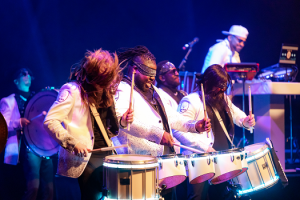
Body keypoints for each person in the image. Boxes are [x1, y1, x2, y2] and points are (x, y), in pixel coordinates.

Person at [111, 45, 211, 200]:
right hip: (138, 164)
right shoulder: (123, 89)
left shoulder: (155, 91)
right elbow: (121, 121)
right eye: (147, 73)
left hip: (164, 164)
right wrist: (157, 134)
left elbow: (170, 117)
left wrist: (194, 126)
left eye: (153, 74)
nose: (152, 78)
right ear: (134, 70)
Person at [43, 49, 133, 200]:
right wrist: (73, 143)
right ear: (91, 77)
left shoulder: (106, 91)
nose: (103, 86)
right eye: (101, 82)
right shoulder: (72, 90)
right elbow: (50, 121)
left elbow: (108, 124)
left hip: (107, 154)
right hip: (84, 159)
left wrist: (123, 120)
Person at [174, 64, 255, 200]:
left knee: (220, 196)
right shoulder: (191, 101)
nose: (222, 89)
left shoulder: (222, 97)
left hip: (221, 158)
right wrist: (205, 147)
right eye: (219, 86)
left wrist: (245, 121)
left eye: (224, 86)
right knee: (197, 197)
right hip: (199, 160)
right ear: (207, 83)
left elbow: (236, 113)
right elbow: (178, 131)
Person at [0, 68, 54, 200]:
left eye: (29, 74)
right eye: (23, 74)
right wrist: (18, 122)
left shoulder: (37, 98)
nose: (27, 76)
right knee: (33, 187)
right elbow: (3, 125)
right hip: (27, 148)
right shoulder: (9, 101)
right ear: (15, 81)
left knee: (50, 189)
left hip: (43, 146)